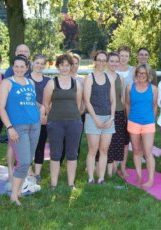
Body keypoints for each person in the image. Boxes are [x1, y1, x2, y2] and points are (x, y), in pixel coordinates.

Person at [0, 55, 41, 206]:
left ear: (27, 68)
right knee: (23, 161)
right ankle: (14, 196)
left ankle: (20, 191)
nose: (19, 69)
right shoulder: (6, 83)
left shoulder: (31, 83)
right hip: (18, 127)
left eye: (22, 66)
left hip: (35, 125)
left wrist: (42, 108)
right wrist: (9, 128)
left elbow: (31, 101)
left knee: (28, 160)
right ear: (12, 67)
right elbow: (1, 108)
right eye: (16, 66)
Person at [43, 53, 83, 188]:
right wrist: (55, 117)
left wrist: (71, 115)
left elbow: (78, 104)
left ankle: (71, 184)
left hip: (74, 122)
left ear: (71, 66)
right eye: (62, 65)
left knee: (72, 153)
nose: (65, 68)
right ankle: (53, 184)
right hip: (56, 123)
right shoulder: (51, 82)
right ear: (58, 66)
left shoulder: (76, 83)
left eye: (67, 65)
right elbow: (46, 104)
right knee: (55, 153)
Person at [84, 50, 116, 184]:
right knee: (93, 149)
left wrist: (112, 118)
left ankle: (101, 177)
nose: (102, 62)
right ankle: (91, 177)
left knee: (104, 149)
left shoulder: (110, 77)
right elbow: (87, 100)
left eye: (104, 60)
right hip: (93, 118)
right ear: (95, 61)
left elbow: (113, 100)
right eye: (99, 60)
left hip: (108, 118)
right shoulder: (90, 77)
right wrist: (95, 119)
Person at [126, 64, 158, 187]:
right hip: (133, 122)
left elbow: (154, 106)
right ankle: (139, 176)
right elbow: (128, 104)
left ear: (148, 75)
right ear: (136, 74)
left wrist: (152, 119)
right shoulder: (130, 87)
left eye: (144, 73)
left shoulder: (154, 89)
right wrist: (130, 118)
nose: (141, 75)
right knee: (136, 151)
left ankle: (150, 179)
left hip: (148, 123)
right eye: (139, 73)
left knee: (148, 152)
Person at [3, 44, 32, 180]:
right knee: (13, 143)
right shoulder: (11, 72)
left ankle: (26, 170)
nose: (23, 53)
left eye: (25, 51)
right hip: (14, 116)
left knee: (26, 144)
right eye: (20, 51)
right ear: (15, 53)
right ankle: (10, 170)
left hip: (28, 115)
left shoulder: (30, 69)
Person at [29, 54, 50, 184]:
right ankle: (28, 171)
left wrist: (45, 112)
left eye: (42, 63)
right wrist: (41, 107)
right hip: (29, 117)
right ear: (32, 63)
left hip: (44, 117)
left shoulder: (48, 81)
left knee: (40, 145)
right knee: (29, 145)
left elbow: (51, 98)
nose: (39, 66)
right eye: (37, 63)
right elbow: (29, 98)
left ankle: (37, 173)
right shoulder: (25, 79)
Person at [105, 52, 126, 177]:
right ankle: (107, 167)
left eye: (116, 61)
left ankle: (113, 167)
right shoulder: (102, 76)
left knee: (117, 141)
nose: (114, 64)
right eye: (111, 61)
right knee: (106, 142)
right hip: (105, 113)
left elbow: (121, 98)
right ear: (107, 62)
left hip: (118, 112)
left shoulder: (120, 78)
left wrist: (125, 113)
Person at [116, 45, 134, 177]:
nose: (123, 58)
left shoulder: (134, 71)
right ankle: (112, 163)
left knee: (125, 140)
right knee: (112, 137)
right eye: (121, 55)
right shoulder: (111, 69)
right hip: (114, 108)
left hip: (128, 109)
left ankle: (123, 166)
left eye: (126, 56)